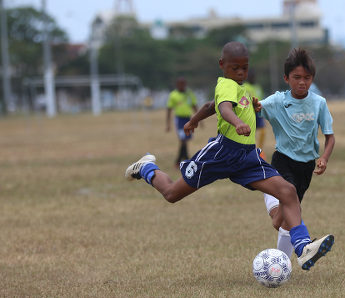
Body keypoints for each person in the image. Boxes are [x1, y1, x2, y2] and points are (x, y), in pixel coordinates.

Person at [125, 41, 333, 270]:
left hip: (246, 157)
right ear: (222, 65)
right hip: (221, 154)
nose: (241, 72)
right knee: (172, 194)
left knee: (288, 191)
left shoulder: (239, 88)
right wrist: (237, 122)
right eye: (235, 68)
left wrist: (194, 120)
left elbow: (211, 105)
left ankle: (303, 247)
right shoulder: (225, 84)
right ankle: (146, 168)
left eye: (244, 67)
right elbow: (223, 108)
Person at [257, 48, 335, 259]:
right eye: (297, 77)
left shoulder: (319, 103)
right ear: (286, 78)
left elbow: (330, 136)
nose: (302, 82)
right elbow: (254, 109)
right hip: (283, 160)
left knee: (281, 220)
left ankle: (282, 264)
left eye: (307, 78)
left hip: (306, 165)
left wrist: (324, 158)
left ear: (313, 79)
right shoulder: (276, 101)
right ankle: (301, 249)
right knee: (291, 200)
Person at [166, 77, 198, 165]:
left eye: (183, 84)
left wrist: (199, 119)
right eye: (180, 84)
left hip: (188, 119)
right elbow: (169, 109)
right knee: (183, 139)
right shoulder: (173, 95)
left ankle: (181, 160)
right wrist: (168, 124)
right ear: (177, 85)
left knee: (186, 139)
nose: (182, 86)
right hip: (179, 119)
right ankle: (182, 160)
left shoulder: (189, 94)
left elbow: (194, 105)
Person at [242, 69, 267, 158]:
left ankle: (259, 151)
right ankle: (249, 151)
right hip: (249, 113)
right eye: (250, 76)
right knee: (250, 133)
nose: (252, 78)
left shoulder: (258, 87)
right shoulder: (244, 87)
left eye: (253, 76)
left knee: (262, 131)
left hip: (258, 112)